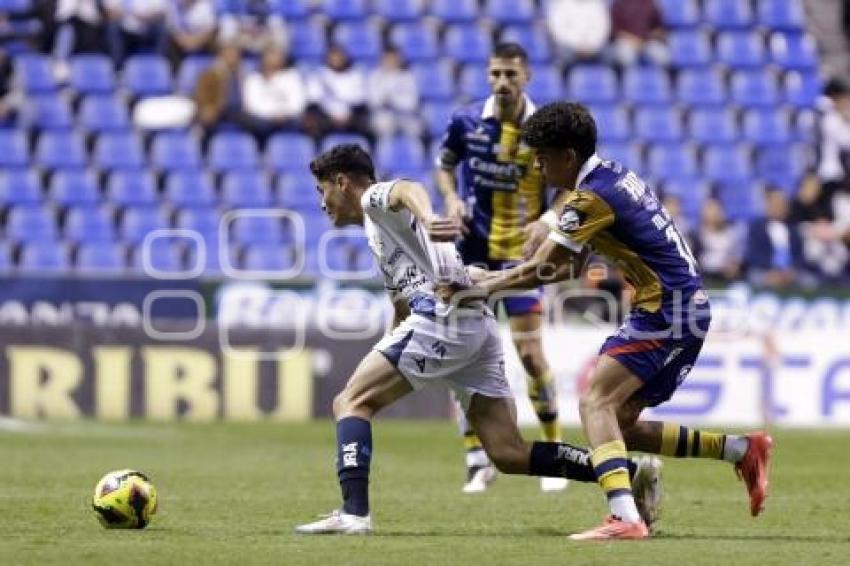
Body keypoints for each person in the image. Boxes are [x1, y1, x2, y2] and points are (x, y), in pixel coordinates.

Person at [294, 144, 662, 535]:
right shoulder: (381, 233)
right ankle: (624, 472)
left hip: (443, 319)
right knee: (508, 452)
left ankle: (354, 514)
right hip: (473, 324)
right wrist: (384, 350)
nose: (322, 202)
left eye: (322, 190)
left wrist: (430, 217)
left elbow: (407, 189)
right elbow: (401, 306)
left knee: (350, 402)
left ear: (341, 182)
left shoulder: (374, 198)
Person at [473, 102, 773, 541]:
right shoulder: (610, 176)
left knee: (596, 403)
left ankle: (625, 518)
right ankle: (742, 450)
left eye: (542, 157)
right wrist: (541, 241)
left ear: (568, 156)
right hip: (681, 306)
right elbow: (570, 266)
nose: (537, 166)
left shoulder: (590, 197)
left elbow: (542, 269)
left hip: (666, 309)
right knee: (619, 425)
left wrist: (482, 284)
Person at [435, 43, 568, 493]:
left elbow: (567, 187)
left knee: (530, 355)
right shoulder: (465, 120)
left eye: (510, 74)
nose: (502, 82)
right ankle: (477, 458)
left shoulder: (546, 126)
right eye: (495, 74)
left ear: (527, 76)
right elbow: (444, 167)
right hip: (473, 252)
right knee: (463, 355)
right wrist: (451, 198)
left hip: (524, 257)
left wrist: (547, 221)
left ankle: (553, 454)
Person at [241, 45, 307, 145]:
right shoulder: (253, 79)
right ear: (263, 58)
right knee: (250, 121)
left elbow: (298, 103)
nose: (274, 58)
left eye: (277, 55)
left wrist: (283, 114)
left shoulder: (292, 77)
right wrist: (272, 115)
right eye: (271, 54)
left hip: (288, 119)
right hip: (262, 121)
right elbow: (252, 105)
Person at [305, 44, 372, 143]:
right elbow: (315, 100)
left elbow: (361, 100)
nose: (337, 60)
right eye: (333, 57)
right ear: (327, 58)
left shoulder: (356, 75)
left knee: (367, 122)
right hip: (326, 118)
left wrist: (348, 116)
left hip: (351, 117)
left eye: (339, 56)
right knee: (312, 122)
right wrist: (331, 116)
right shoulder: (318, 75)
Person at [367, 46, 422, 139]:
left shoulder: (408, 77)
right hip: (382, 115)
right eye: (388, 58)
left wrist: (392, 100)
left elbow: (412, 102)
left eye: (394, 58)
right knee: (384, 124)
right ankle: (385, 147)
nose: (391, 61)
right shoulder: (375, 76)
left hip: (405, 115)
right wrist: (387, 100)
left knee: (416, 127)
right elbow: (373, 101)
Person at [610, 0, 670, 67]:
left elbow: (658, 28)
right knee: (624, 54)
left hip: (646, 42)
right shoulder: (619, 4)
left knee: (660, 55)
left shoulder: (650, 3)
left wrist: (648, 38)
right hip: (626, 42)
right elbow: (616, 31)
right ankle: (627, 73)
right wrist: (635, 41)